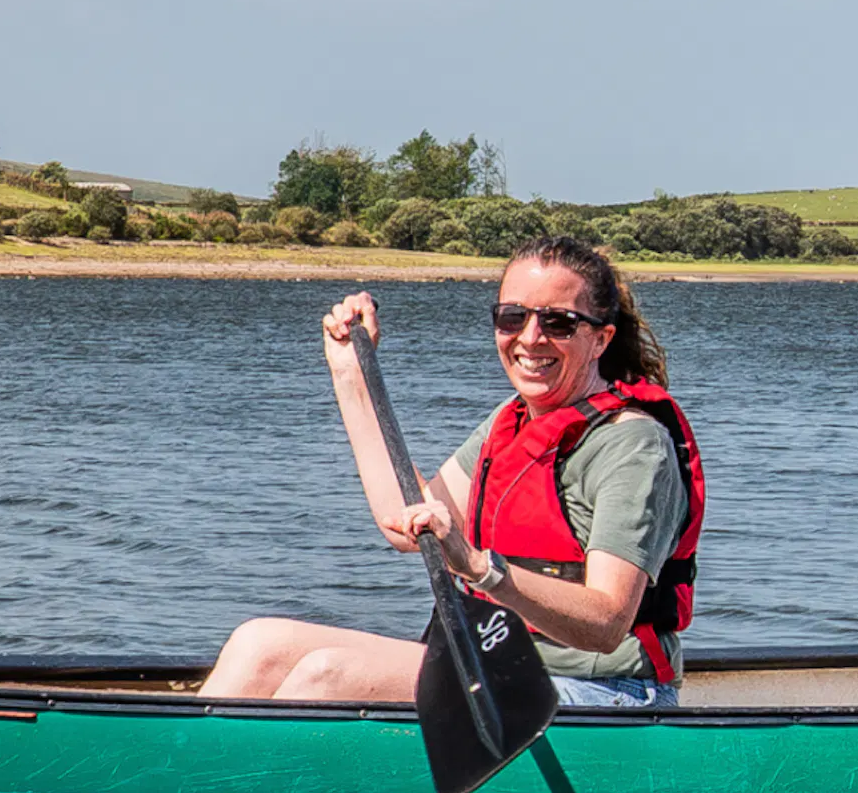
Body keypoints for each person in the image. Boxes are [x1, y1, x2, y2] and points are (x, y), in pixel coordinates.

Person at [197, 238, 705, 709]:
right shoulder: (513, 421)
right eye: (512, 318)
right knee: (257, 643)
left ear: (600, 339)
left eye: (559, 323)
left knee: (328, 675)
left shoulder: (633, 444)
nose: (530, 338)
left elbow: (605, 624)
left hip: (607, 690)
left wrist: (480, 568)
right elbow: (404, 519)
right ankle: (174, 785)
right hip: (498, 661)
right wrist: (351, 373)